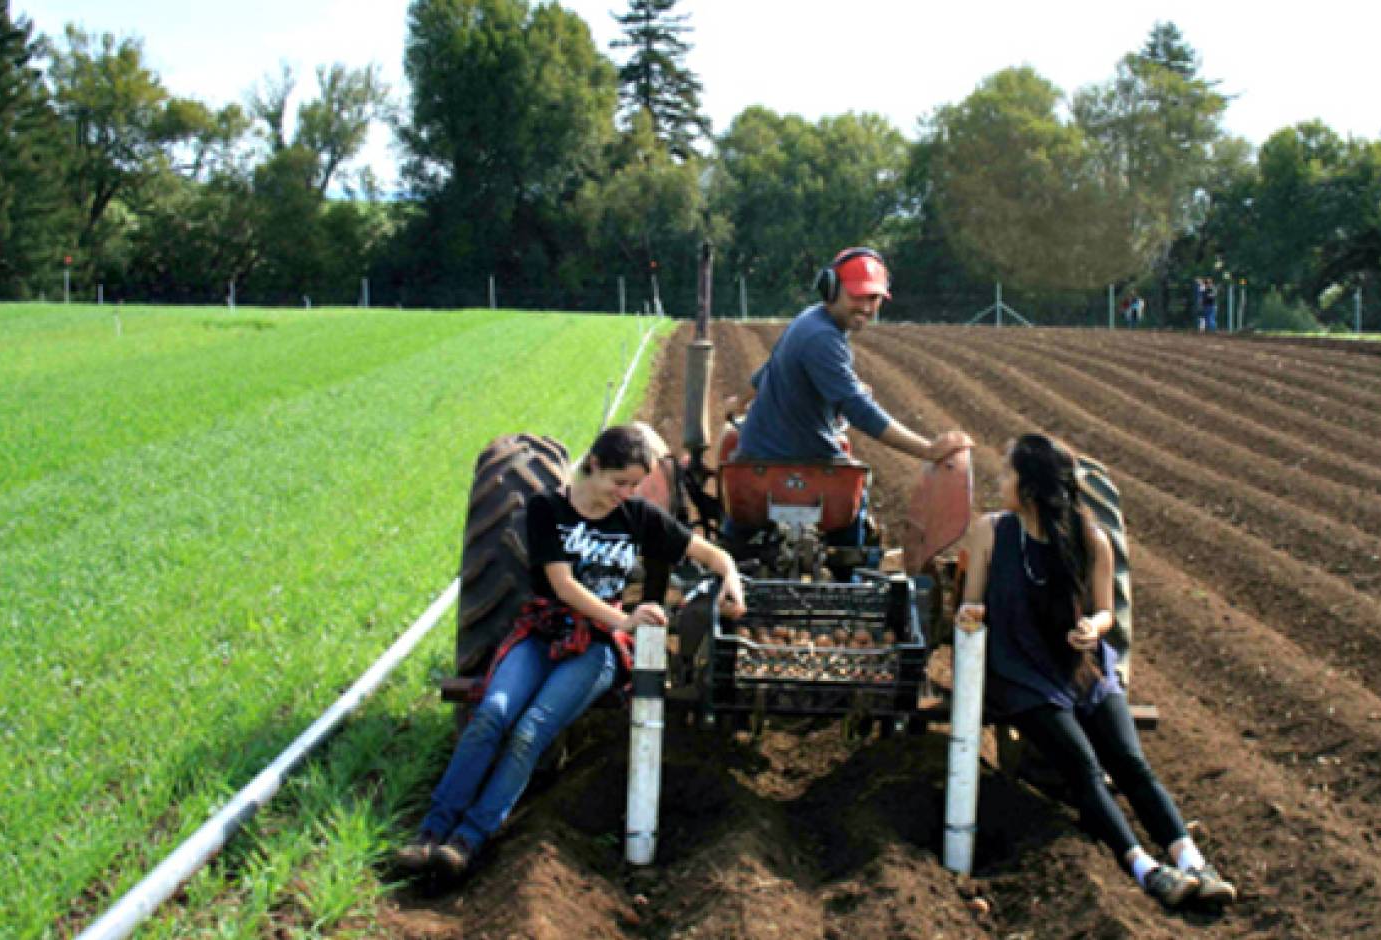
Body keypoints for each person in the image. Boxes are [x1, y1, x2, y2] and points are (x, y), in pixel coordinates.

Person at [397, 425, 747, 880]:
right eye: (619, 482)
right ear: (594, 465)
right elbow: (563, 584)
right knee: (491, 714)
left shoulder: (637, 516)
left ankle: (468, 839)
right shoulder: (549, 509)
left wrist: (731, 583)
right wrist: (624, 619)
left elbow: (715, 556)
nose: (626, 494)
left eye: (635, 486)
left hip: (595, 649)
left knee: (530, 731)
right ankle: (431, 831)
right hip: (543, 633)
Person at [954, 434, 1236, 911]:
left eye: (1007, 473)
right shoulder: (991, 532)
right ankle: (1144, 868)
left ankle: (1191, 860)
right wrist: (970, 614)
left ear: (1031, 486)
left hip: (1079, 668)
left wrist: (1093, 626)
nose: (999, 481)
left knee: (1129, 761)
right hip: (1020, 671)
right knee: (1082, 766)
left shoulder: (1091, 540)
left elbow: (1107, 611)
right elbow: (972, 599)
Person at [730, 247, 973, 540]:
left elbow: (770, 368)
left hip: (756, 454)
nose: (867, 308)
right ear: (831, 290)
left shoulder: (810, 320)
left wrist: (740, 401)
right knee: (852, 508)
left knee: (739, 534)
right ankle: (852, 572)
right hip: (806, 459)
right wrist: (926, 450)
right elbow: (857, 408)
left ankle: (732, 543)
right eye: (857, 296)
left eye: (874, 298)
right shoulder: (823, 337)